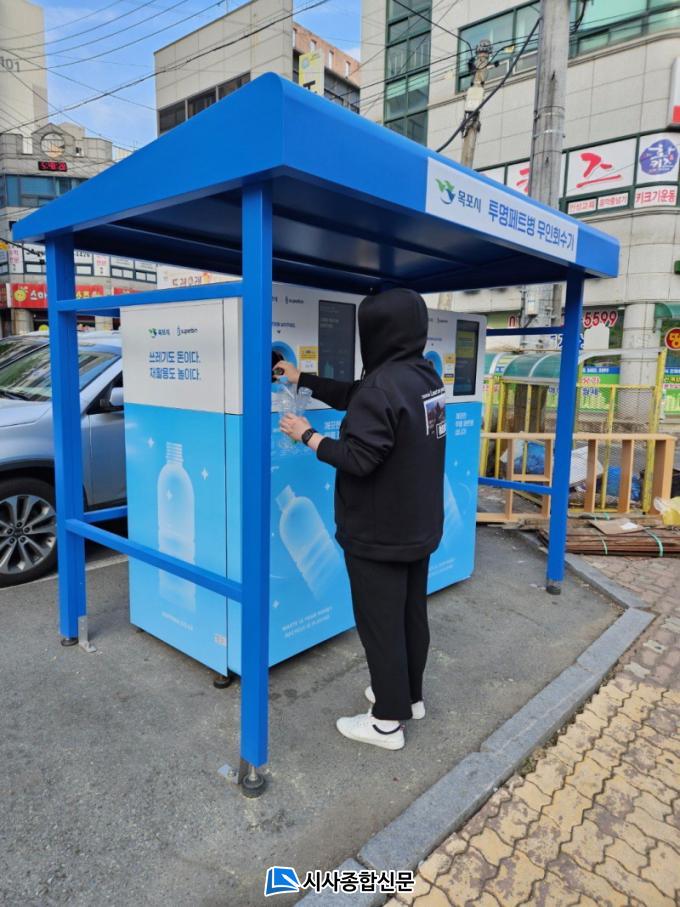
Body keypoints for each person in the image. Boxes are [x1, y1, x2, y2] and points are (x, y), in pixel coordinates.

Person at [278, 287, 446, 751]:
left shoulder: (381, 386)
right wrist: (302, 378)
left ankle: (386, 722)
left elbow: (359, 458)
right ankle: (409, 697)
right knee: (410, 615)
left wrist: (306, 434)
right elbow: (356, 395)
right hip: (417, 525)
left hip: (379, 532)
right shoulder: (423, 376)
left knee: (380, 626)